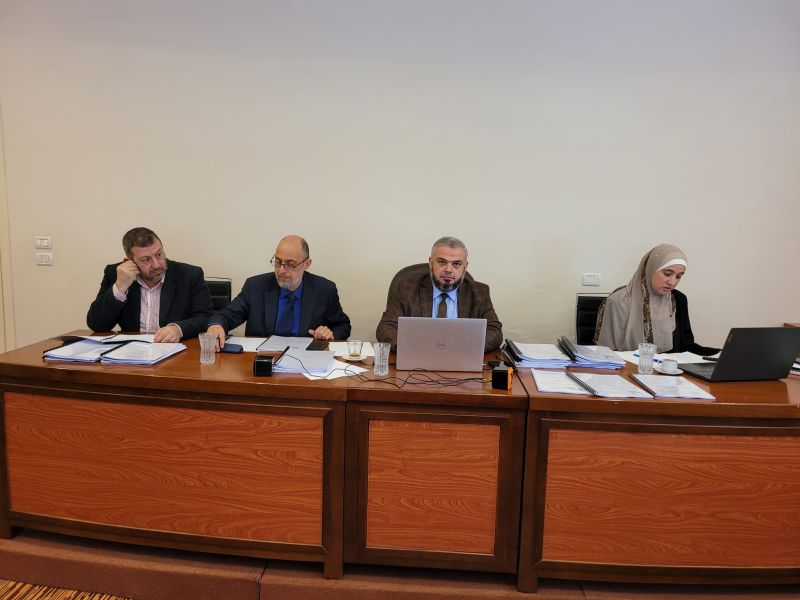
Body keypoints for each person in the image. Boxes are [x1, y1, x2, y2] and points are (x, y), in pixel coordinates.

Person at [207, 235, 351, 349]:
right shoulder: (255, 286)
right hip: (262, 360)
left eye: (290, 264)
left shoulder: (324, 290)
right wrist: (216, 325)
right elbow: (226, 315)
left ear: (307, 264)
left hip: (306, 361)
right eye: (278, 262)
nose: (281, 270)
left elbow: (343, 326)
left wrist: (330, 334)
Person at [376, 236, 503, 352]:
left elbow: (495, 331)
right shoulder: (406, 288)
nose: (448, 269)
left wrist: (466, 349)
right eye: (442, 262)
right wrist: (410, 349)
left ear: (465, 266)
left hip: (460, 360)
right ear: (431, 263)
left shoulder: (479, 292)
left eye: (456, 264)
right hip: (418, 360)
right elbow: (386, 327)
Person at [87, 227, 214, 341]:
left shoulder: (189, 275)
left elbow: (205, 318)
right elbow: (97, 325)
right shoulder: (116, 274)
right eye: (146, 260)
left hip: (174, 350)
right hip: (132, 351)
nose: (157, 264)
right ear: (129, 262)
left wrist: (178, 329)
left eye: (159, 254)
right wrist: (120, 287)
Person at [594, 243, 719, 354]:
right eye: (667, 273)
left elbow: (687, 346)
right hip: (630, 370)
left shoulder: (678, 299)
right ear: (650, 269)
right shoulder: (619, 301)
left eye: (678, 276)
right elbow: (605, 352)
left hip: (671, 372)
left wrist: (720, 354)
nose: (672, 282)